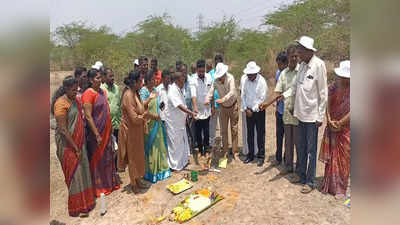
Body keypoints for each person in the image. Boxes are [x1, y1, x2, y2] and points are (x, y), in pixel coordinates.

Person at [280, 36, 328, 193]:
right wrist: (282, 96)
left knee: (310, 150)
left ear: (308, 51)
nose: (298, 52)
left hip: (312, 116)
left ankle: (310, 181)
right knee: (300, 146)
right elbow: (294, 88)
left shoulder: (319, 65)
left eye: (300, 49)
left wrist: (320, 116)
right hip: (299, 114)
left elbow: (323, 93)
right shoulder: (301, 66)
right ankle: (300, 174)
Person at [51, 76, 95, 217]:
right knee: (75, 174)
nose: (76, 91)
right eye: (73, 89)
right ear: (65, 89)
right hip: (68, 145)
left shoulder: (76, 100)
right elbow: (63, 130)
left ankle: (87, 202)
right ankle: (77, 207)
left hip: (79, 142)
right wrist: (75, 148)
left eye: (77, 88)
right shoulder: (60, 104)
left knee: (83, 171)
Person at [260, 45, 299, 175]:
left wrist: (268, 102)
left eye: (295, 56)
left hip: (298, 113)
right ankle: (284, 161)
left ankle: (298, 167)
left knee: (297, 142)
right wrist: (269, 103)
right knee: (283, 138)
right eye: (291, 56)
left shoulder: (301, 71)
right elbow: (277, 92)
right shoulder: (281, 74)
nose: (278, 67)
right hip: (282, 112)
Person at [82, 69, 121, 197]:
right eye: (96, 78)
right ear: (90, 80)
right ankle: (99, 187)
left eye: (100, 78)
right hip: (96, 134)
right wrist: (97, 134)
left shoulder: (103, 92)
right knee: (98, 160)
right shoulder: (88, 94)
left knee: (108, 158)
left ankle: (109, 183)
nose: (99, 80)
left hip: (107, 131)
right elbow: (88, 116)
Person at [319, 60, 350, 198]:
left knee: (344, 157)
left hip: (346, 129)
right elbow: (327, 104)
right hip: (332, 126)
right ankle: (330, 184)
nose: (344, 79)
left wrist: (341, 123)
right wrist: (330, 119)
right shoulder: (333, 88)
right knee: (332, 156)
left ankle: (340, 187)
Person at [118, 71, 153, 193]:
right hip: (130, 130)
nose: (142, 83)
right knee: (133, 157)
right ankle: (133, 183)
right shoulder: (128, 95)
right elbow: (133, 118)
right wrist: (146, 115)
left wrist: (148, 103)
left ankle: (138, 179)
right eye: (141, 81)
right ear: (134, 82)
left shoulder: (135, 93)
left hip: (137, 130)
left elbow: (140, 107)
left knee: (139, 155)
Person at [205, 62, 239, 161]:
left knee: (234, 130)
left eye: (221, 76)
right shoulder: (216, 81)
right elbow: (211, 91)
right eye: (218, 76)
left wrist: (223, 99)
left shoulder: (230, 78)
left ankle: (235, 152)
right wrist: (207, 99)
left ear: (224, 74)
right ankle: (225, 151)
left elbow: (232, 91)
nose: (220, 78)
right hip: (223, 108)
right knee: (223, 131)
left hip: (233, 106)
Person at [141, 72, 171, 183]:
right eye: (152, 80)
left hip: (157, 122)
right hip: (149, 123)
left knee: (159, 146)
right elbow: (142, 107)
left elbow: (157, 104)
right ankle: (151, 172)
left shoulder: (155, 90)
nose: (154, 82)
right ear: (147, 81)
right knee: (151, 147)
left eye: (155, 80)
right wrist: (149, 99)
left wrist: (161, 107)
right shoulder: (143, 91)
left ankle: (160, 170)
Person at [165, 72, 197, 171]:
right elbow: (179, 105)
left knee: (182, 143)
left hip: (180, 122)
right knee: (175, 144)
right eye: (183, 80)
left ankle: (182, 162)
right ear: (177, 81)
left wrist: (187, 115)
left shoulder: (179, 89)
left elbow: (183, 103)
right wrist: (191, 113)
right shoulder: (172, 91)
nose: (184, 82)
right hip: (173, 123)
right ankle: (174, 166)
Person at [241, 61, 268, 167]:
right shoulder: (245, 81)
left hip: (259, 111)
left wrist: (253, 109)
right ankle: (250, 155)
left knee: (260, 134)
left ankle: (261, 156)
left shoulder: (262, 81)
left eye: (250, 74)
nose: (248, 76)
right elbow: (243, 95)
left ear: (255, 73)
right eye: (247, 74)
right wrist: (245, 108)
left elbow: (263, 97)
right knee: (250, 134)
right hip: (248, 112)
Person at [191, 59, 212, 157]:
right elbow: (193, 95)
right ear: (196, 70)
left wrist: (213, 106)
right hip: (198, 109)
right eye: (199, 71)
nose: (201, 73)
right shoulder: (193, 79)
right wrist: (195, 108)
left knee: (207, 131)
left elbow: (211, 91)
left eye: (203, 71)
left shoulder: (209, 77)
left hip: (207, 109)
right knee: (198, 131)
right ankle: (200, 150)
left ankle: (207, 149)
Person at [239, 66, 258, 157]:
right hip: (245, 108)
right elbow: (241, 93)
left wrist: (253, 109)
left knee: (255, 131)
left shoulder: (259, 79)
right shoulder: (243, 78)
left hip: (255, 109)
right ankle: (246, 150)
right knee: (246, 130)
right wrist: (246, 108)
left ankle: (256, 151)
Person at [273, 52, 288, 166]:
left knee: (288, 138)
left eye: (280, 64)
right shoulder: (278, 73)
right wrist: (276, 107)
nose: (279, 67)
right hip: (279, 110)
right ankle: (278, 158)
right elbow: (276, 91)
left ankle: (286, 158)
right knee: (279, 135)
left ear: (286, 63)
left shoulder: (291, 74)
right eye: (278, 64)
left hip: (288, 111)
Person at [100, 68, 121, 144]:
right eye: (110, 76)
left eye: (113, 76)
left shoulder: (117, 88)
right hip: (107, 126)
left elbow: (119, 105)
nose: (112, 78)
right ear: (104, 77)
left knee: (117, 150)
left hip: (117, 125)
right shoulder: (101, 89)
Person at [207, 55, 222, 148]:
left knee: (222, 125)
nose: (217, 64)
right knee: (212, 125)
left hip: (223, 104)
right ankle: (211, 143)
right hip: (213, 104)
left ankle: (222, 143)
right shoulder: (210, 74)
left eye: (219, 62)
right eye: (216, 62)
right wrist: (211, 105)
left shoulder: (225, 73)